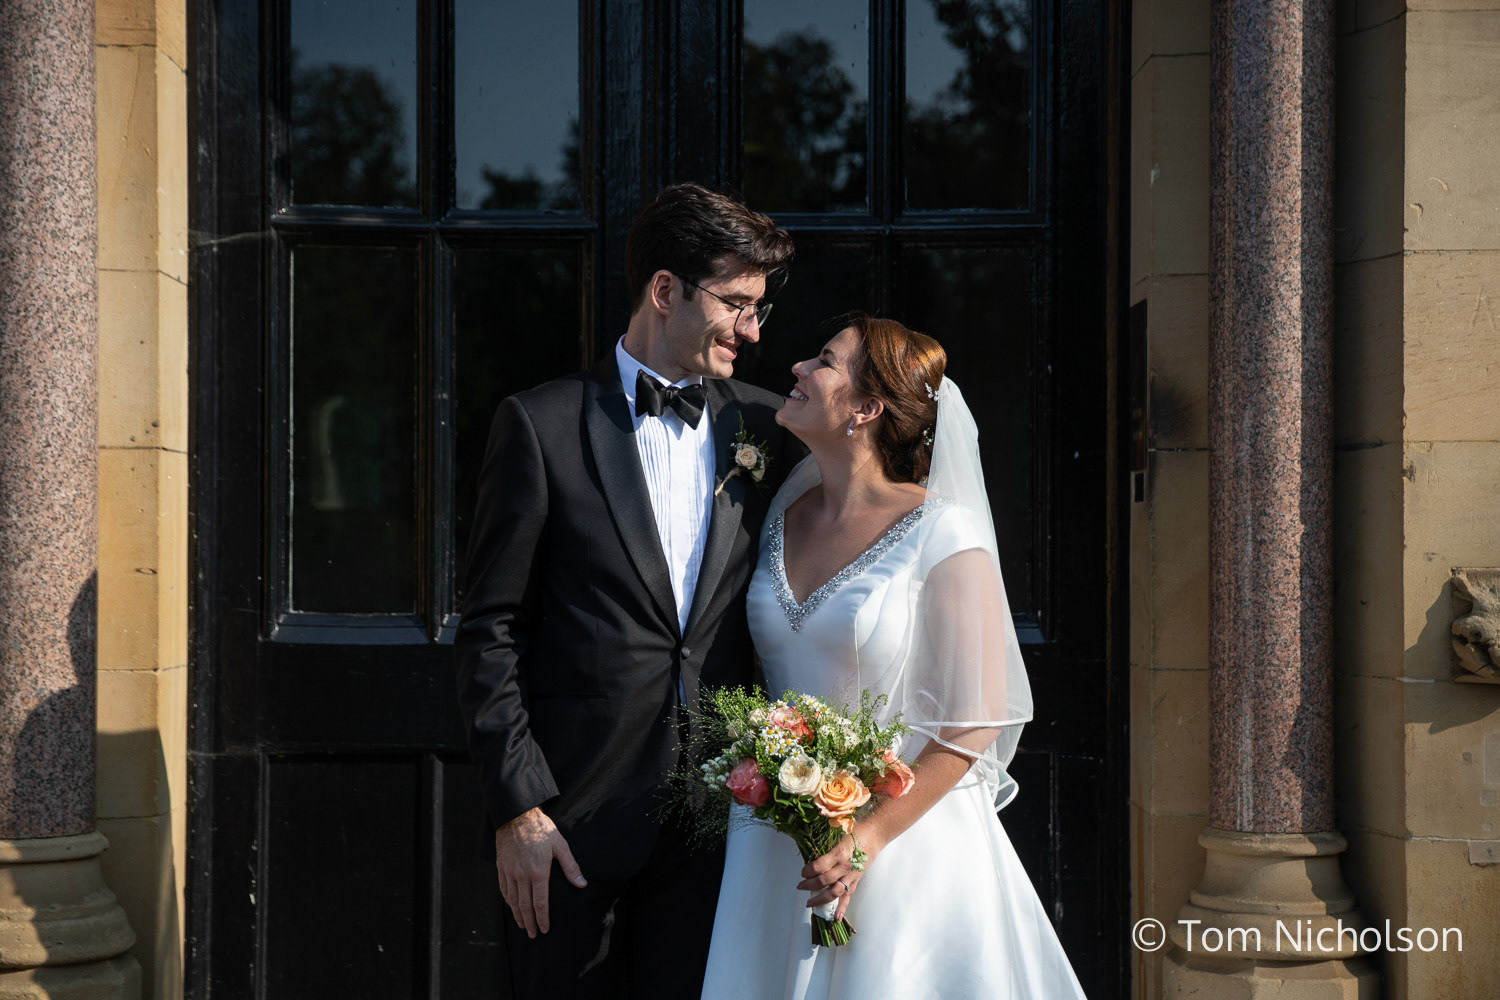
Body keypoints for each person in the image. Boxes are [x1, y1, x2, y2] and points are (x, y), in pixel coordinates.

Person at [455, 183, 800, 999]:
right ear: (664, 290)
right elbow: (490, 628)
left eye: (760, 308)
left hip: (721, 829)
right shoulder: (540, 425)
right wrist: (519, 810)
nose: (753, 330)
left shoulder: (767, 427)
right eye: (738, 303)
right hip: (568, 828)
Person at [700, 315, 1089, 998]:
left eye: (823, 361)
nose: (796, 368)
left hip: (903, 844)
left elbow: (975, 721)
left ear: (867, 407)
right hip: (772, 841)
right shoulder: (778, 514)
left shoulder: (942, 532)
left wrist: (863, 841)